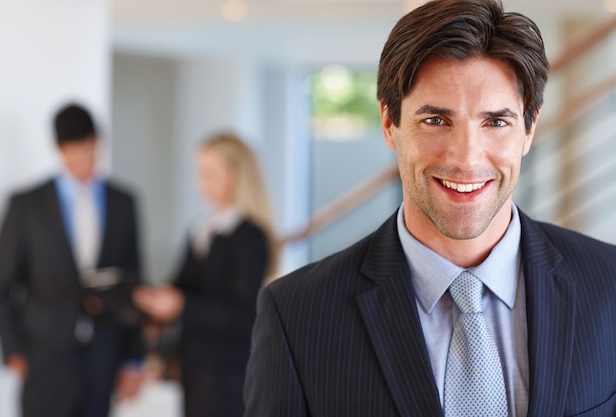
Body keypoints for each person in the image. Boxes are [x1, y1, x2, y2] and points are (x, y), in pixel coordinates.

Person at [243, 0, 616, 416]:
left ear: (529, 129)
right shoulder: (296, 316)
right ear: (390, 124)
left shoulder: (609, 286)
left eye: (496, 122)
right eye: (436, 120)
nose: (467, 158)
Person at [0, 103, 144, 417]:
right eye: (76, 152)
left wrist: (132, 359)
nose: (85, 161)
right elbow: (1, 288)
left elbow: (134, 285)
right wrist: (14, 351)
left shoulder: (123, 203)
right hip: (44, 359)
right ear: (59, 148)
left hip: (103, 359)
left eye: (90, 150)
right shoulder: (26, 206)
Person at [133, 132, 277, 417]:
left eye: (211, 173)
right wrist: (154, 300)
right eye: (200, 173)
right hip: (194, 368)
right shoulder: (201, 229)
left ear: (236, 175)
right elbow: (182, 286)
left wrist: (181, 306)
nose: (202, 182)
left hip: (227, 374)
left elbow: (243, 312)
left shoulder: (250, 237)